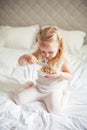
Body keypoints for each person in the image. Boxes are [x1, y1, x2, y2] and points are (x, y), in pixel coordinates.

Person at [13, 26, 72, 114]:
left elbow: (70, 76)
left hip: (53, 90)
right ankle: (29, 85)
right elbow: (21, 63)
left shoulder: (62, 59)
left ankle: (65, 94)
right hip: (38, 88)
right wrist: (26, 57)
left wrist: (59, 74)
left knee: (55, 110)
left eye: (50, 52)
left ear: (59, 46)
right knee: (18, 99)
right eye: (43, 51)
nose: (46, 55)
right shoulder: (38, 54)